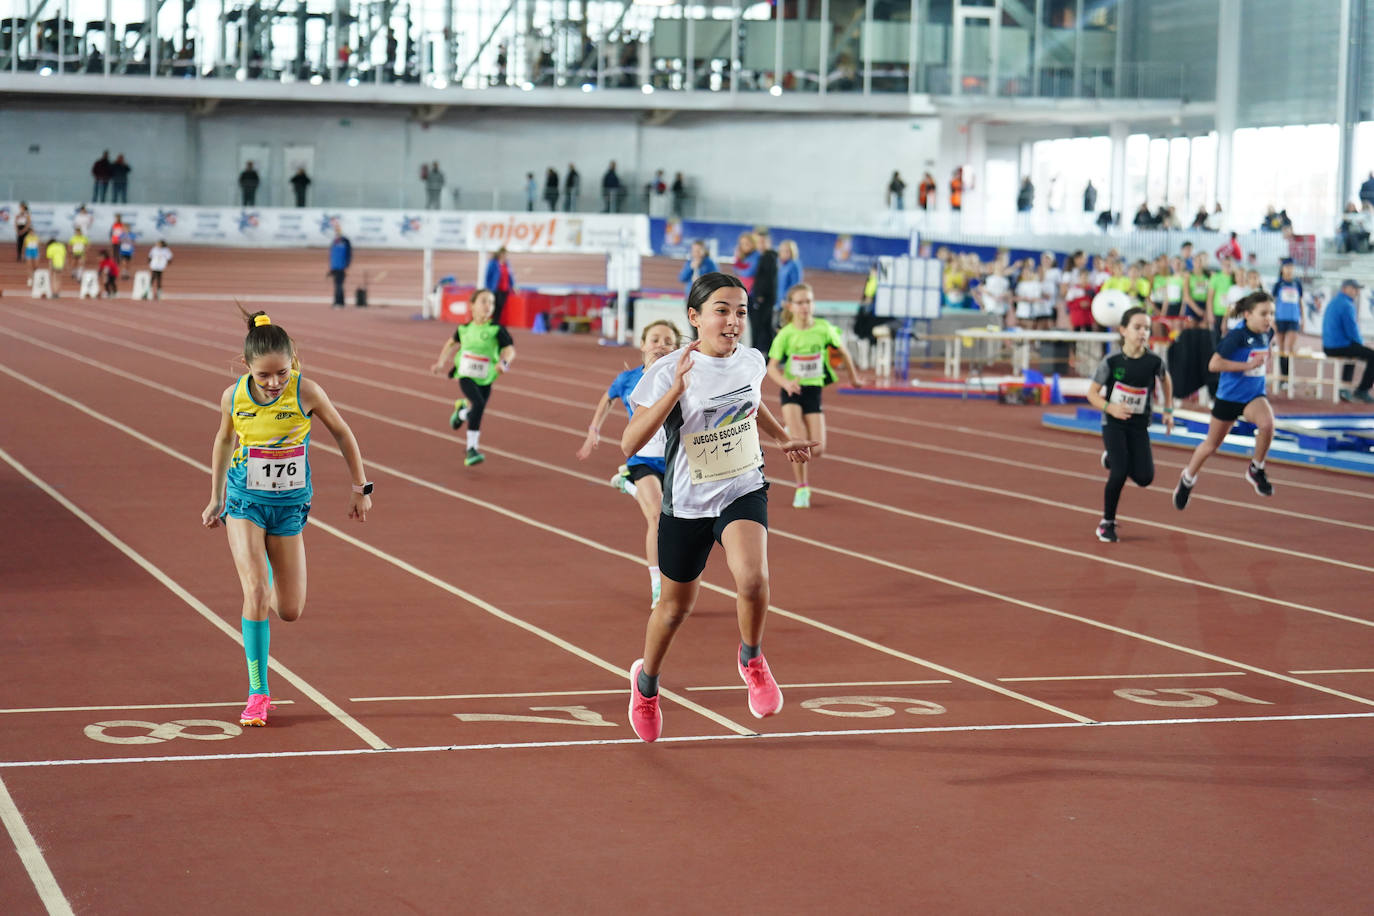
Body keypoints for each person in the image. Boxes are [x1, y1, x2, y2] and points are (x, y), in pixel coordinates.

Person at [620, 273, 818, 742]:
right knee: (673, 610)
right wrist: (674, 391)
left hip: (742, 487)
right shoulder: (668, 370)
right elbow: (629, 443)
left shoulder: (751, 361)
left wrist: (782, 438)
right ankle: (646, 684)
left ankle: (752, 659)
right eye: (722, 311)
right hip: (687, 502)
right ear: (696, 317)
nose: (733, 321)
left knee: (752, 577)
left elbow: (753, 405)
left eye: (741, 312)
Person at [201, 309, 373, 728]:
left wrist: (360, 487)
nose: (274, 382)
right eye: (264, 376)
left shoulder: (306, 391)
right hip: (244, 502)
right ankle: (258, 692)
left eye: (281, 372)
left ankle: (262, 580)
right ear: (247, 368)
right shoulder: (233, 397)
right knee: (257, 592)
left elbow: (343, 434)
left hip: (290, 506)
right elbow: (224, 440)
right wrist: (215, 497)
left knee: (290, 609)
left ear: (292, 360)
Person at [576, 320, 683, 607]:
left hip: (676, 460)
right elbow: (607, 399)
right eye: (655, 339)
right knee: (657, 517)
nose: (661, 345)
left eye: (669, 340)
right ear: (643, 345)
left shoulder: (682, 377)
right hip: (642, 459)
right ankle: (658, 585)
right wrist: (594, 429)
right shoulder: (628, 379)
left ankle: (626, 484)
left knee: (682, 521)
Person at [1172, 291, 1278, 511]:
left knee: (1267, 424)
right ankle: (1188, 478)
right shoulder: (1236, 336)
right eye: (1264, 314)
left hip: (1253, 396)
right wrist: (1247, 366)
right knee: (1211, 446)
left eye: (1272, 313)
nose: (1269, 319)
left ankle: (1256, 468)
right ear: (1248, 314)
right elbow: (1214, 365)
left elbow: (1265, 351)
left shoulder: (1269, 333)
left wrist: (1267, 360)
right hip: (1229, 397)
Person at [766, 283, 861, 509]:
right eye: (800, 302)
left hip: (813, 392)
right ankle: (802, 488)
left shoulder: (823, 328)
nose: (805, 306)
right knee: (800, 445)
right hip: (792, 392)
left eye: (808, 301)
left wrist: (854, 378)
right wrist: (785, 382)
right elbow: (771, 368)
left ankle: (791, 428)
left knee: (818, 449)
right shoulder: (786, 334)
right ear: (791, 306)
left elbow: (843, 352)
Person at [1086, 307, 1174, 542]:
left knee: (1145, 478)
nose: (1143, 332)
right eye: (1137, 327)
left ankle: (1110, 458)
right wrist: (1110, 407)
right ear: (1123, 330)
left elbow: (1166, 381)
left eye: (1146, 328)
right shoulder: (1112, 361)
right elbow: (1092, 394)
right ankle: (1107, 523)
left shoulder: (1154, 361)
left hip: (1139, 424)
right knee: (1120, 472)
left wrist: (1168, 410)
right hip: (1113, 422)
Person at [429, 288, 516, 466]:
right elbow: (451, 343)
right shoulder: (464, 329)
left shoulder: (495, 329)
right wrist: (440, 363)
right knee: (478, 404)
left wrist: (504, 363)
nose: (488, 306)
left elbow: (509, 349)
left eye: (491, 303)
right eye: (483, 301)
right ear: (472, 306)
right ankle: (471, 450)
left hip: (486, 377)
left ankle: (461, 413)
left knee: (477, 409)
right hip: (465, 374)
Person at [1322, 279, 1374, 403]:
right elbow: (1352, 330)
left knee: (1354, 350)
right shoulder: (1347, 305)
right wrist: (1360, 343)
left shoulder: (1334, 302)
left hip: (1328, 346)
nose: (1357, 292)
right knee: (1372, 355)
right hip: (1338, 346)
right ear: (1345, 289)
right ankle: (1362, 390)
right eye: (1354, 289)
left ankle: (1345, 388)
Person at [745, 228, 779, 355]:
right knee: (761, 326)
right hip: (761, 296)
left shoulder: (769, 257)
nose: (761, 244)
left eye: (763, 242)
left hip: (764, 298)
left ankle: (766, 353)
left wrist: (760, 294)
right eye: (758, 242)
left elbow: (767, 279)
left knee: (763, 326)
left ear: (768, 242)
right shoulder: (759, 256)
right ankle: (763, 352)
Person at [1270, 259, 1304, 381]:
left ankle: (1288, 377)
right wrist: (1272, 318)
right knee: (1281, 348)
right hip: (1279, 319)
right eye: (1287, 267)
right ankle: (1282, 377)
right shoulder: (1278, 284)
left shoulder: (1297, 284)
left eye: (1291, 267)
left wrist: (1303, 319)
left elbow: (1300, 302)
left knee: (1288, 348)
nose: (1289, 270)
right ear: (1282, 269)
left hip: (1293, 319)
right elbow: (1272, 302)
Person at [483, 246, 515, 324]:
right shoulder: (493, 263)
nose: (505, 256)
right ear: (500, 254)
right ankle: (489, 323)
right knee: (493, 307)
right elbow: (488, 276)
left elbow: (509, 276)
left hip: (504, 290)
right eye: (504, 254)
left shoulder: (506, 264)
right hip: (495, 289)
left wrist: (513, 286)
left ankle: (495, 323)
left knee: (500, 307)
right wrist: (488, 288)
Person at [328, 226, 352, 308]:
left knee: (339, 285)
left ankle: (337, 302)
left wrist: (347, 266)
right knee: (338, 284)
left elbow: (349, 255)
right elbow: (332, 256)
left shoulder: (345, 241)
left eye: (338, 231)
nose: (337, 233)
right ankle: (341, 302)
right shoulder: (334, 242)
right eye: (336, 231)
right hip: (335, 267)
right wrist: (331, 267)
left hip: (342, 267)